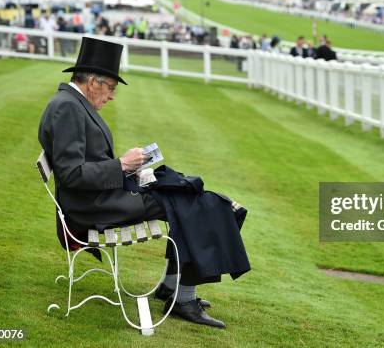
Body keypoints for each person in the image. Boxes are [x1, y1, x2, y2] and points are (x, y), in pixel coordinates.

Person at [38, 37, 250, 328]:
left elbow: (83, 166)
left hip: (103, 197)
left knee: (188, 195)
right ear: (92, 82)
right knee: (192, 202)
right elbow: (72, 175)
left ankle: (174, 288)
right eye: (111, 88)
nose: (112, 96)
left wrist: (128, 171)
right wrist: (121, 165)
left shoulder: (72, 103)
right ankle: (182, 296)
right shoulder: (67, 108)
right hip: (93, 208)